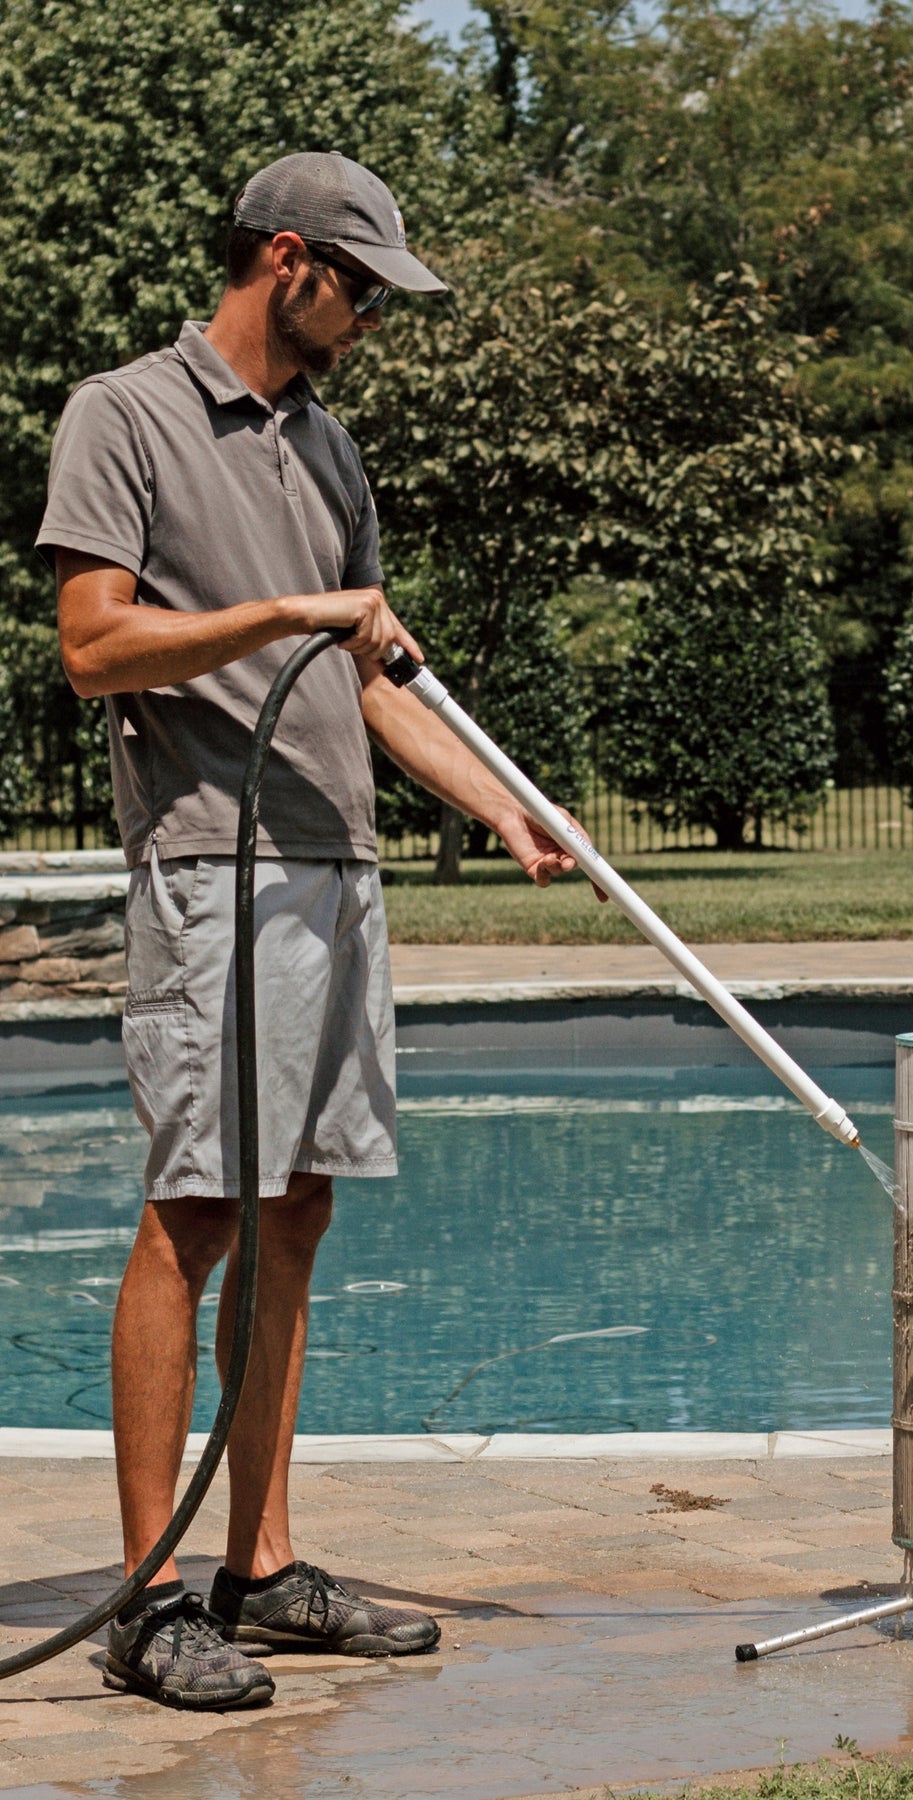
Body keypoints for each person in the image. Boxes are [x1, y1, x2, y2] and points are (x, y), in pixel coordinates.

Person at [37, 152, 586, 1710]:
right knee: (193, 1218)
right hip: (213, 873)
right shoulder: (123, 413)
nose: (368, 323)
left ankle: (260, 1570)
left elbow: (374, 680)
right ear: (289, 261)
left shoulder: (325, 447)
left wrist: (493, 807)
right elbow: (93, 646)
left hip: (335, 872)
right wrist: (288, 612)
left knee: (297, 1218)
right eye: (359, 291)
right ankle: (147, 1600)